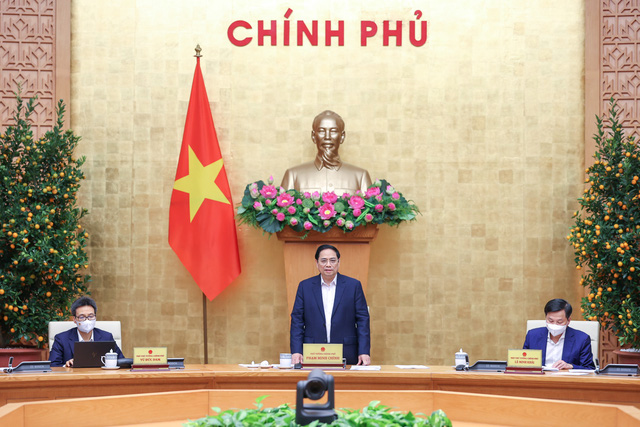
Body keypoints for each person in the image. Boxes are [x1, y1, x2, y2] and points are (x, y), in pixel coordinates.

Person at [290, 244, 371, 365]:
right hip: (313, 353)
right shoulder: (305, 286)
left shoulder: (353, 286)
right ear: (317, 263)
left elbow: (362, 320)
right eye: (324, 261)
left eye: (332, 260)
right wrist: (296, 351)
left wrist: (364, 351)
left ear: (338, 262)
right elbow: (297, 321)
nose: (328, 264)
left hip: (346, 352)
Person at [281, 110, 372, 196]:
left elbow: (371, 206)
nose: (327, 137)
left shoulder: (360, 176)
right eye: (321, 131)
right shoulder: (293, 175)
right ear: (313, 136)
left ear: (342, 136)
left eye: (333, 131)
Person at [49, 296, 124, 367]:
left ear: (95, 317)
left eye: (91, 316)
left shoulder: (107, 337)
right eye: (82, 317)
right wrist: (66, 366)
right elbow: (53, 366)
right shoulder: (61, 339)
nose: (87, 320)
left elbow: (122, 361)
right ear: (74, 319)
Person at [523, 298, 595, 370]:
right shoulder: (532, 336)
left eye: (559, 322)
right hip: (540, 376)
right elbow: (523, 364)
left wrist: (571, 366)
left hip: (565, 377)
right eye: (550, 321)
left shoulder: (582, 339)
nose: (554, 325)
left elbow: (590, 368)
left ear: (568, 320)